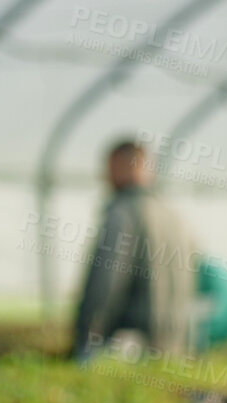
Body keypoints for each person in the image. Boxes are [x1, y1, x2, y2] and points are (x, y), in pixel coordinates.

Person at [72, 139, 199, 362]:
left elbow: (105, 284)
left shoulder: (123, 214)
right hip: (171, 350)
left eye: (109, 168)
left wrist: (85, 337)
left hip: (128, 350)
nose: (105, 177)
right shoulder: (175, 218)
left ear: (121, 166)